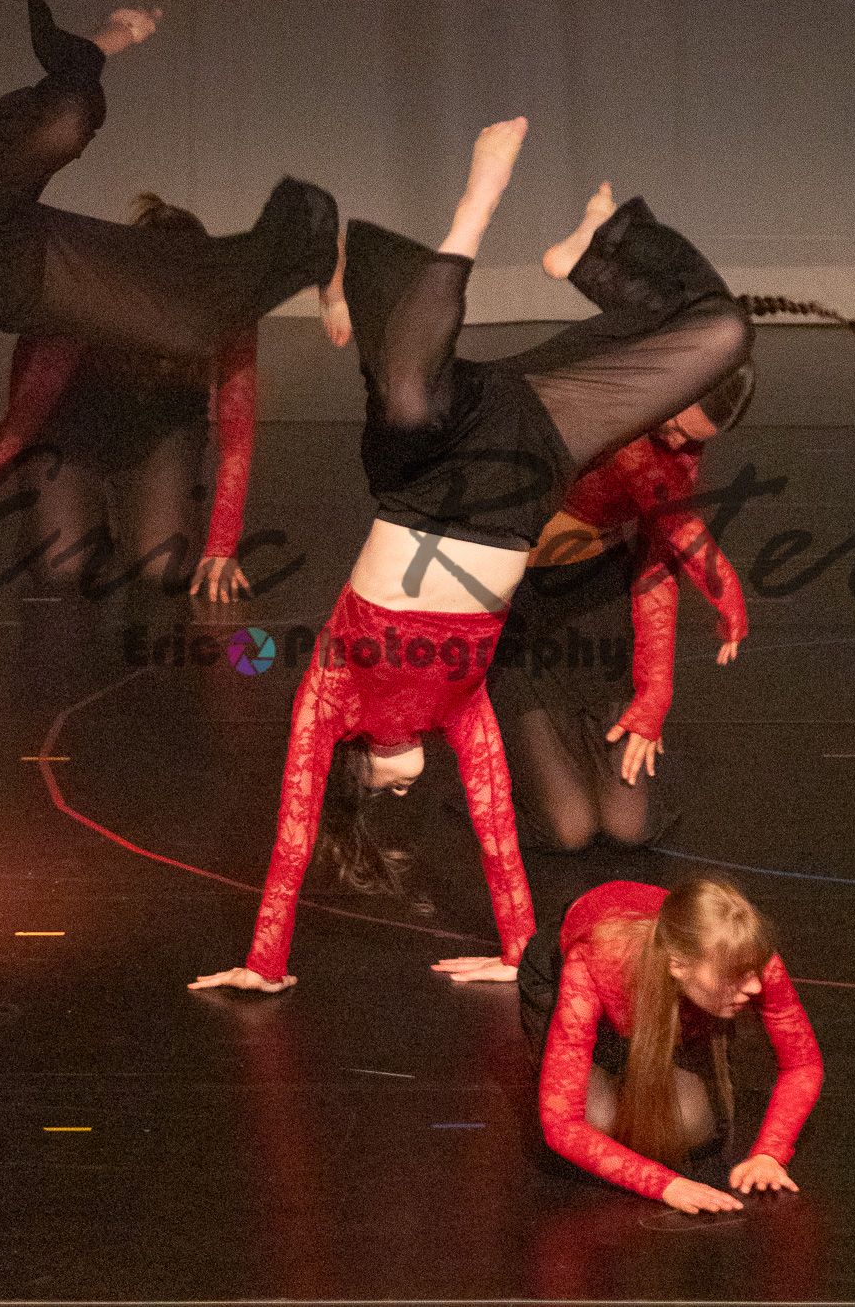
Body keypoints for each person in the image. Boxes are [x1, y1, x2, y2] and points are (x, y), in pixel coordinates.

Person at [188, 117, 752, 996]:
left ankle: (473, 213)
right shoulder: (460, 710)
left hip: (424, 479)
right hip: (528, 462)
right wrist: (515, 948)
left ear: (356, 767)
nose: (403, 790)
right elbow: (495, 833)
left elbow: (293, 834)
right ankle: (605, 249)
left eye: (382, 791)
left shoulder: (331, 696)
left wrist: (266, 961)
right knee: (724, 334)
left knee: (411, 393)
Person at [0, 0, 341, 568]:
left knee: (64, 122)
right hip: (5, 281)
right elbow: (25, 417)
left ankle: (99, 42)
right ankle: (314, 242)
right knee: (194, 325)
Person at [0, 194, 276, 600]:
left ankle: (127, 507)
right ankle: (59, 516)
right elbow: (22, 422)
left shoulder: (226, 307)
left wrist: (222, 544)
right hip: (71, 429)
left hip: (162, 430)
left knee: (163, 569)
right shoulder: (86, 302)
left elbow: (237, 428)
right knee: (62, 568)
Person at [486, 367, 753, 851]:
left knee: (627, 828)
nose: (677, 443)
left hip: (598, 604)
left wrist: (655, 695)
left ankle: (575, 745)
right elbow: (670, 514)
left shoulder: (677, 452)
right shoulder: (615, 414)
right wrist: (726, 590)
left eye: (693, 439)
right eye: (675, 426)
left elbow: (658, 569)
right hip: (521, 606)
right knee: (569, 830)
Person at [475, 878, 822, 1215]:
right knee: (599, 1119)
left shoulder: (744, 953)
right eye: (735, 976)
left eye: (754, 972)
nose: (756, 987)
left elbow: (802, 1064)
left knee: (694, 1129)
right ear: (679, 965)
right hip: (584, 974)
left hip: (673, 991)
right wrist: (667, 1186)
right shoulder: (591, 966)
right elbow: (563, 1124)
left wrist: (769, 1153)